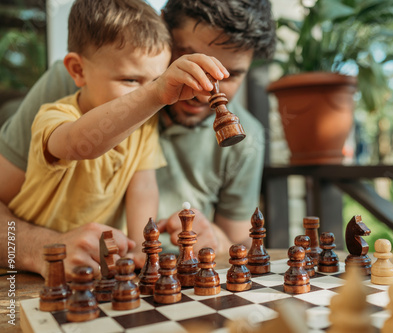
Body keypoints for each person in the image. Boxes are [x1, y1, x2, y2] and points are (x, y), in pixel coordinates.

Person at [0, 0, 276, 279]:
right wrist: (41, 248)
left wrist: (216, 242)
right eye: (190, 60)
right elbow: (80, 143)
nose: (205, 91)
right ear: (164, 27)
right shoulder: (83, 81)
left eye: (230, 75)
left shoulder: (245, 137)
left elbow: (240, 245)